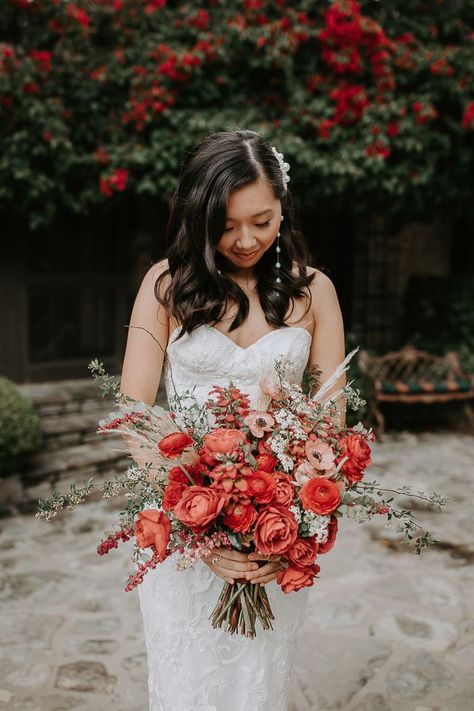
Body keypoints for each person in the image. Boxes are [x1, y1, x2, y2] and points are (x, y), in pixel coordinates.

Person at [119, 129, 345, 711]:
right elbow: (135, 414)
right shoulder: (165, 286)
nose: (246, 240)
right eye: (226, 225)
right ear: (199, 215)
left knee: (258, 688)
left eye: (262, 221)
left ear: (282, 211)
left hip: (274, 541)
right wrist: (203, 525)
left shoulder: (315, 292)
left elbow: (329, 423)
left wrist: (289, 518)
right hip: (183, 533)